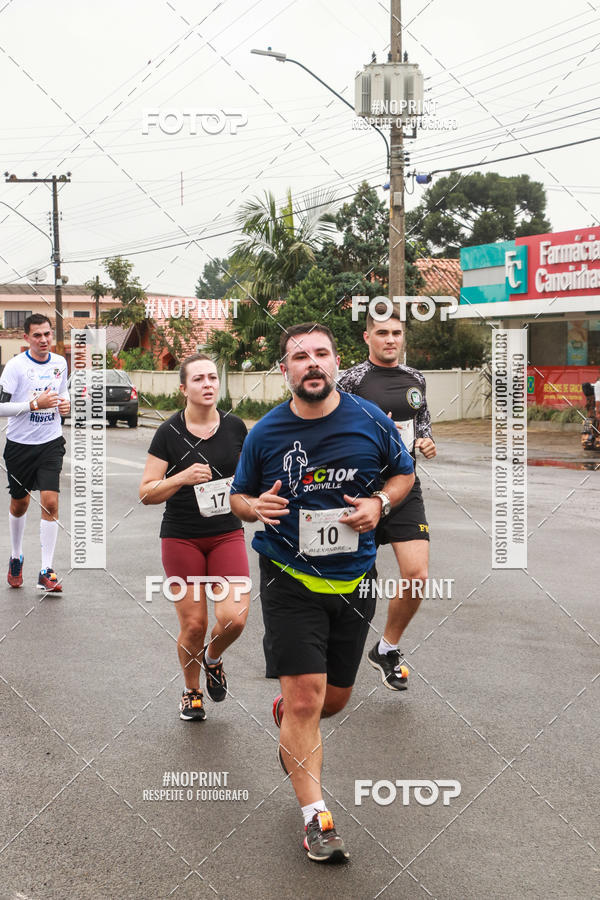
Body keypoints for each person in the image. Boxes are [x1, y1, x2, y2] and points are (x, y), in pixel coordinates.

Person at [230, 323, 414, 863]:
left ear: (336, 362)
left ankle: (290, 715)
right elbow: (239, 496)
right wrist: (253, 508)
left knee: (330, 701)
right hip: (289, 578)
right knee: (309, 695)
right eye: (299, 356)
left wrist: (380, 503)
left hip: (355, 580)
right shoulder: (265, 433)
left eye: (321, 354)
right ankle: (317, 818)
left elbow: (403, 475)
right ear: (285, 370)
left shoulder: (370, 419)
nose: (311, 363)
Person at [139, 354, 250, 722]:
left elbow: (253, 481)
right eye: (199, 379)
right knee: (194, 625)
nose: (207, 384)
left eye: (212, 378)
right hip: (182, 537)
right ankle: (191, 691)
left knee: (234, 618)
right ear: (184, 388)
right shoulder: (168, 433)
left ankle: (213, 658)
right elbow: (146, 492)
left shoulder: (235, 428)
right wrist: (180, 478)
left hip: (226, 534)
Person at [338, 302, 436, 692]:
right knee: (349, 585)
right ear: (367, 337)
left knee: (417, 575)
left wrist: (427, 440)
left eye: (396, 333)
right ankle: (330, 657)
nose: (390, 340)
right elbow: (331, 422)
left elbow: (422, 420)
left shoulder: (415, 377)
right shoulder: (351, 379)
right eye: (382, 333)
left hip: (403, 484)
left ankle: (387, 648)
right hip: (354, 489)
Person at [1, 314, 70, 592]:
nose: (43, 340)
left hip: (50, 443)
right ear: (27, 338)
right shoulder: (16, 368)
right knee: (20, 503)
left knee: (50, 503)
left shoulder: (60, 363)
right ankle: (16, 556)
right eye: (37, 335)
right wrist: (33, 404)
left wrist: (64, 406)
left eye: (47, 334)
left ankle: (46, 570)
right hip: (19, 445)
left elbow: (62, 394)